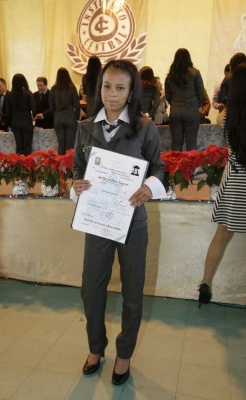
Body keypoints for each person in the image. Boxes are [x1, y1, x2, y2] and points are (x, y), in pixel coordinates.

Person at [72, 60, 164, 385]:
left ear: (131, 91)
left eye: (120, 88)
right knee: (90, 289)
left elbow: (159, 167)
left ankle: (124, 353)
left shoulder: (144, 127)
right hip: (98, 221)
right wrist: (76, 185)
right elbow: (77, 169)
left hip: (132, 222)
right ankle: (96, 347)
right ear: (99, 89)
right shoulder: (85, 128)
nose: (112, 94)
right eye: (106, 87)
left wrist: (148, 187)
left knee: (133, 291)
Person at [198, 63, 246, 307]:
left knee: (221, 236)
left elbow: (219, 118)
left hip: (235, 181)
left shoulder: (226, 118)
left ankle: (205, 285)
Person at [165, 48, 204, 151]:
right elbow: (200, 93)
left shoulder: (170, 76)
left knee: (176, 144)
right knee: (191, 144)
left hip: (175, 112)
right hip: (191, 112)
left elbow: (168, 96)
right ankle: (191, 167)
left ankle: (175, 167)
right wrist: (198, 105)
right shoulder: (195, 73)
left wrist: (174, 104)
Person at [49, 67, 80, 154]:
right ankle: (70, 166)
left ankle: (61, 166)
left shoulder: (53, 88)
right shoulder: (71, 87)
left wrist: (55, 115)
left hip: (58, 118)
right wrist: (76, 116)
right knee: (70, 146)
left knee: (61, 145)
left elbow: (51, 106)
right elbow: (77, 104)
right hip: (70, 117)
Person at [6, 73, 36, 155]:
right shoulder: (28, 93)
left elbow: (8, 112)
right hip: (26, 121)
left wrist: (9, 123)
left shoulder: (9, 95)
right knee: (27, 146)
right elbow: (34, 108)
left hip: (15, 122)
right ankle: (27, 166)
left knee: (19, 147)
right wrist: (34, 116)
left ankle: (19, 166)